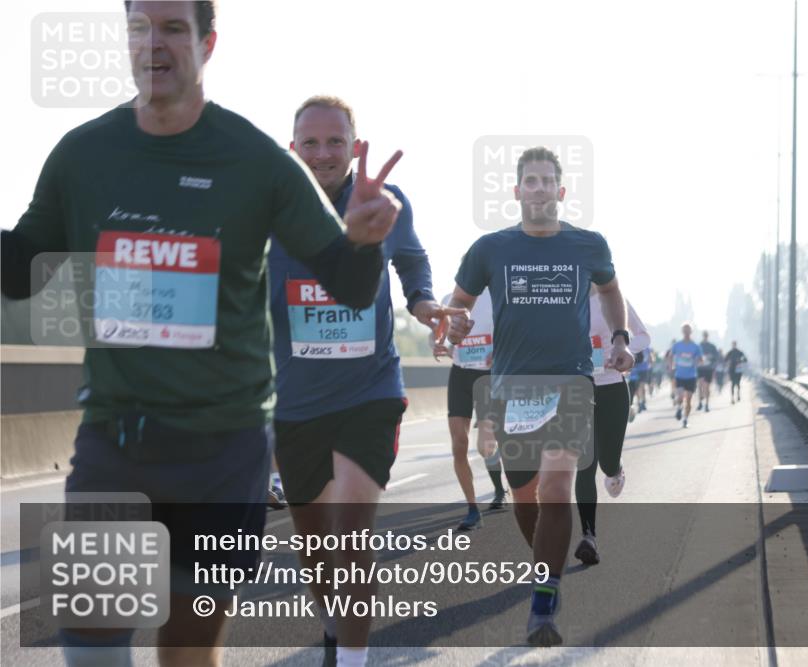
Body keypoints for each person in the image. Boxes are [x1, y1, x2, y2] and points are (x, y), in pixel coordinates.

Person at [0, 3, 402, 666]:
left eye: (173, 27)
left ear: (207, 42)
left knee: (186, 648)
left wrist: (362, 241)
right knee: (93, 639)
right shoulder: (82, 154)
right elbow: (21, 270)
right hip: (114, 438)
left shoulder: (256, 160)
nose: (153, 44)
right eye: (139, 27)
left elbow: (348, 284)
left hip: (225, 451)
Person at [268, 95, 456, 667]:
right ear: (292, 147)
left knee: (350, 537)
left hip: (368, 392)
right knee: (317, 548)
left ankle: (352, 657)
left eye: (336, 141)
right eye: (312, 142)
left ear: (354, 145)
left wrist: (425, 305)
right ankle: (335, 629)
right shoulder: (267, 206)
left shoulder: (384, 201)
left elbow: (412, 261)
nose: (324, 153)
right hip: (294, 400)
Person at [447, 147, 633, 646]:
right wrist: (454, 323)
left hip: (571, 381)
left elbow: (612, 291)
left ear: (561, 190)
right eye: (529, 181)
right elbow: (458, 302)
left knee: (555, 489)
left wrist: (620, 339)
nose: (538, 188)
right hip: (510, 388)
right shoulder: (489, 249)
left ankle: (544, 601)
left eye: (547, 180)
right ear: (516, 191)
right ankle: (544, 567)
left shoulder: (587, 245)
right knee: (525, 495)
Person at [574, 285, 649, 565]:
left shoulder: (615, 300)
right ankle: (588, 536)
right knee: (585, 462)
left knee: (606, 464)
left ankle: (616, 469)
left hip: (612, 388)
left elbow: (643, 336)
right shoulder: (564, 298)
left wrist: (625, 348)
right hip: (578, 389)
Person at [431, 288, 507, 531]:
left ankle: (499, 488)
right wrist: (440, 346)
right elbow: (437, 336)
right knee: (458, 444)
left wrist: (501, 353)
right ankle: (473, 509)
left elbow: (512, 334)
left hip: (488, 376)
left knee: (485, 445)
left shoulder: (497, 297)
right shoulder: (448, 301)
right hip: (460, 375)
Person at [671, 324, 702, 428]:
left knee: (688, 399)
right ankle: (679, 408)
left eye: (688, 331)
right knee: (680, 397)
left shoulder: (695, 346)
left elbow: (701, 360)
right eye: (685, 331)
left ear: (691, 332)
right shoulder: (677, 345)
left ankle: (685, 419)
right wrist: (671, 365)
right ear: (682, 332)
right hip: (679, 375)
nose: (686, 333)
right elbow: (670, 356)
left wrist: (697, 361)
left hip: (691, 376)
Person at [697, 331, 720, 412]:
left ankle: (706, 404)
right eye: (704, 335)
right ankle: (700, 402)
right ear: (703, 336)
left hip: (708, 369)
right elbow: (695, 356)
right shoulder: (699, 346)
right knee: (700, 385)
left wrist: (713, 364)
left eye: (706, 336)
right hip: (700, 368)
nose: (705, 337)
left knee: (707, 386)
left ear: (707, 336)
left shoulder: (712, 346)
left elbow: (717, 357)